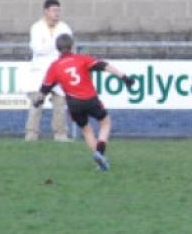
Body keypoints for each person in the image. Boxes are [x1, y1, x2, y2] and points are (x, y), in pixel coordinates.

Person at [33, 34, 135, 171]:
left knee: (86, 130)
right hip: (90, 100)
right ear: (72, 46)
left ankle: (99, 161)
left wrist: (39, 100)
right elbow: (105, 66)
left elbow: (44, 88)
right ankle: (100, 152)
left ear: (57, 49)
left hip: (73, 104)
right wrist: (124, 77)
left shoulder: (55, 66)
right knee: (105, 122)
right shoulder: (81, 59)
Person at [24, 0, 72, 142]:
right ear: (46, 11)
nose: (57, 13)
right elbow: (37, 48)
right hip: (40, 73)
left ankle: (60, 135)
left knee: (60, 105)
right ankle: (31, 135)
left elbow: (67, 47)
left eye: (58, 10)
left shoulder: (64, 27)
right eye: (54, 10)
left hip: (59, 72)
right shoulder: (36, 27)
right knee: (36, 104)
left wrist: (50, 46)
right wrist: (56, 44)